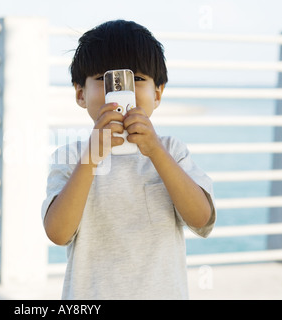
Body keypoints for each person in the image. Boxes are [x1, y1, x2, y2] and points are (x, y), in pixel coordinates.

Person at [41, 20, 216, 299]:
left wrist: (156, 152)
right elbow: (58, 233)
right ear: (80, 93)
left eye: (137, 79)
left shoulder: (171, 150)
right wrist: (91, 158)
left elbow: (201, 219)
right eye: (104, 79)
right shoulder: (71, 157)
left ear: (157, 93)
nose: (121, 93)